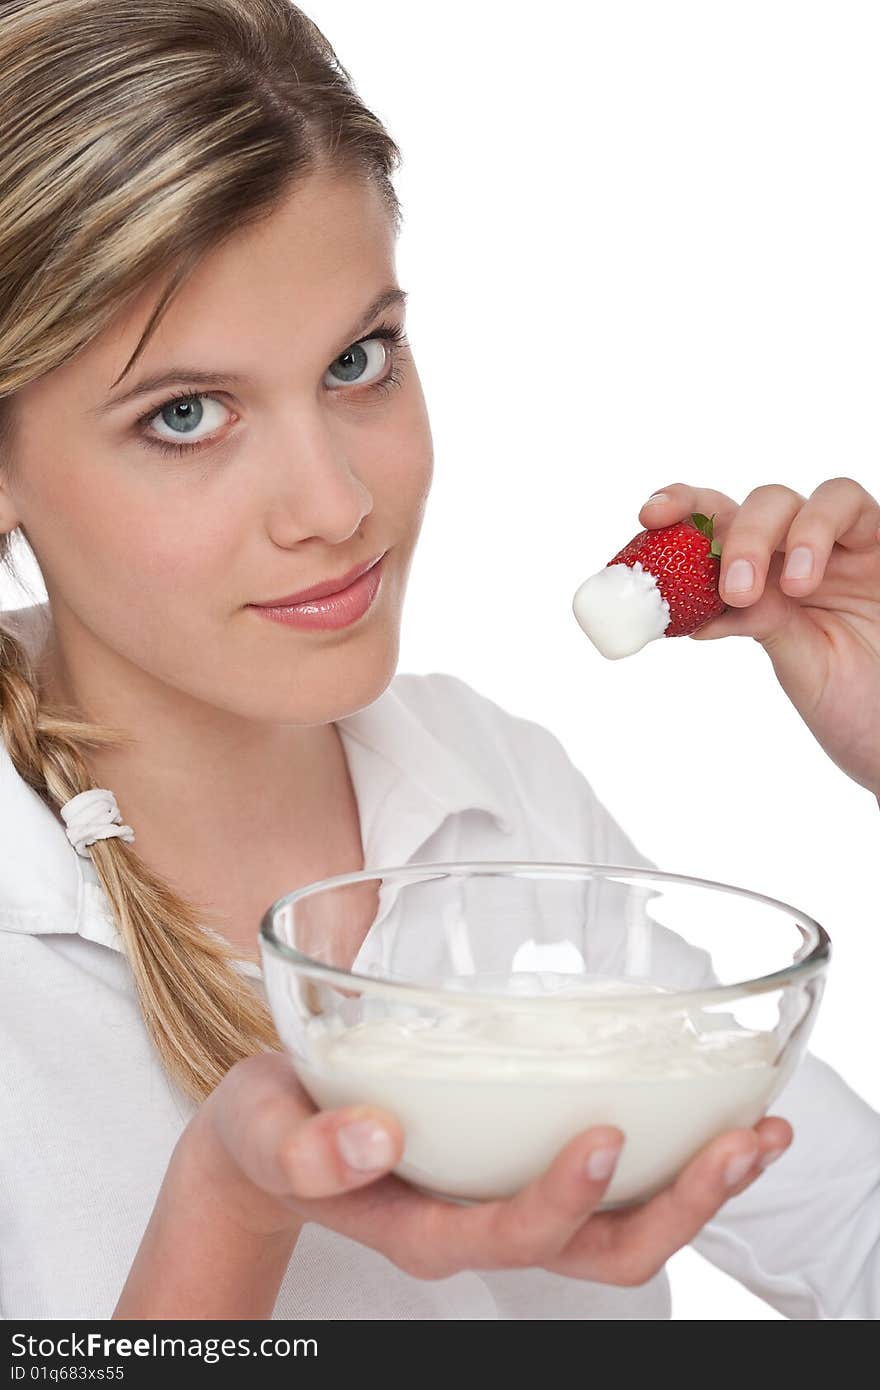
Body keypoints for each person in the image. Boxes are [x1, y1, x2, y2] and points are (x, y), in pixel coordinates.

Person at [0, 0, 878, 1322]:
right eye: (186, 414)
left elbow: (853, 1233)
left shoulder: (492, 790)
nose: (336, 502)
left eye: (359, 360)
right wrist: (231, 1210)